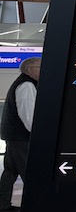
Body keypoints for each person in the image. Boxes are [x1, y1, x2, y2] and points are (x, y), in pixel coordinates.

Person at [0, 57, 40, 211]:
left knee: (10, 172)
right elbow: (29, 116)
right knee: (29, 172)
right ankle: (35, 203)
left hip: (14, 137)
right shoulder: (27, 85)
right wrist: (38, 134)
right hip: (21, 138)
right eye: (40, 67)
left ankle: (3, 205)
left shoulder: (23, 83)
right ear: (30, 70)